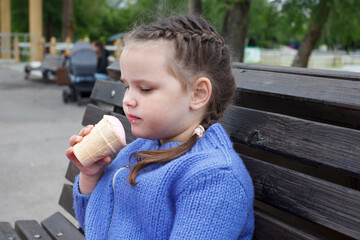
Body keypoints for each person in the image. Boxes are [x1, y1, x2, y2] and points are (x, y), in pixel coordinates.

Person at [66, 15, 254, 240]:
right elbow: (94, 227)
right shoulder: (142, 148)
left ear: (198, 94)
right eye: (127, 86)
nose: (127, 100)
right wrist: (90, 175)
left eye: (145, 89)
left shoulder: (213, 180)